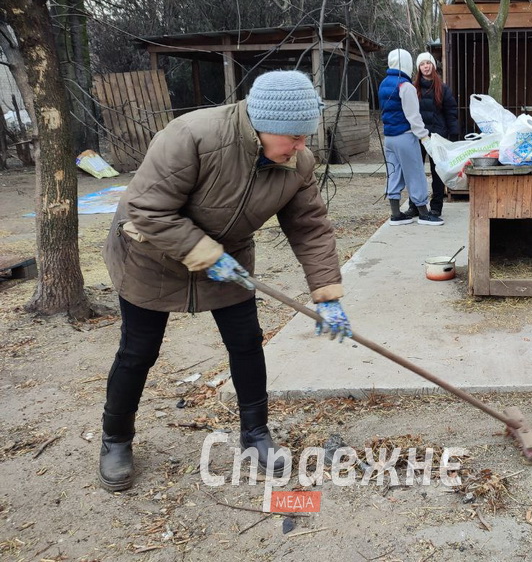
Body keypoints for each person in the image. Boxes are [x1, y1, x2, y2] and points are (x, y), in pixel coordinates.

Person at [98, 70, 353, 492]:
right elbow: (148, 208)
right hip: (150, 253)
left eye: (306, 136)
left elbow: (310, 229)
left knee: (247, 342)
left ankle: (255, 434)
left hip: (227, 257)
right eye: (294, 137)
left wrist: (327, 296)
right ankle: (116, 440)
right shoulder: (193, 135)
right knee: (138, 351)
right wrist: (204, 254)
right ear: (263, 125)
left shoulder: (297, 164)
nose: (302, 146)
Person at [379, 49, 443, 226]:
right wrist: (424, 137)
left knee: (394, 173)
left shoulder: (384, 83)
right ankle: (424, 213)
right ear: (407, 63)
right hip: (405, 136)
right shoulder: (405, 86)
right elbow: (413, 117)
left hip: (389, 137)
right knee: (415, 173)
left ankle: (395, 214)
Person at [407, 51, 460, 218]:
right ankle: (414, 205)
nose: (425, 66)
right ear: (418, 68)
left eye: (428, 63)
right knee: (416, 171)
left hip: (437, 136)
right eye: (422, 64)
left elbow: (451, 112)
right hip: (418, 136)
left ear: (433, 66)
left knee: (437, 173)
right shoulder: (413, 88)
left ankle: (436, 206)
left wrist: (454, 134)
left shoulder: (442, 88)